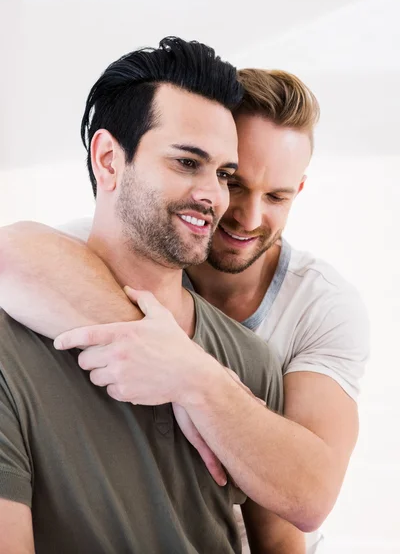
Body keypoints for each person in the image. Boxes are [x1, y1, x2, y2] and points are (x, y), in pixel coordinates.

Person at [0, 65, 369, 553]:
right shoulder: (61, 270)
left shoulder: (300, 323)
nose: (243, 213)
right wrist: (164, 352)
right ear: (109, 160)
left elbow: (305, 503)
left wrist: (194, 377)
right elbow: (11, 253)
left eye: (223, 174)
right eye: (232, 181)